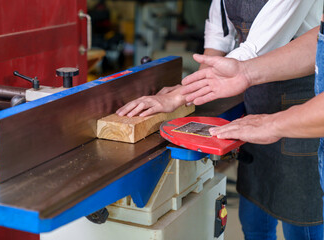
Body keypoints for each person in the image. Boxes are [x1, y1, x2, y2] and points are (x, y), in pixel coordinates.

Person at [117, 1, 324, 239]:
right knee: (254, 220)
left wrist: (180, 95)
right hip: (255, 101)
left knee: (301, 221)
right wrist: (189, 90)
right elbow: (218, 41)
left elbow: (257, 47)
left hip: (301, 106)